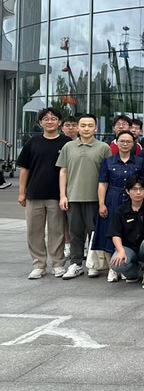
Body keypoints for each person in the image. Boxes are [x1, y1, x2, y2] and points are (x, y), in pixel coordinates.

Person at [57, 113, 112, 280]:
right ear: (77, 128)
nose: (86, 128)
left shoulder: (104, 148)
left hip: (95, 198)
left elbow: (108, 175)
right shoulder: (68, 147)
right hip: (73, 197)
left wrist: (104, 200)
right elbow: (63, 171)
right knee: (75, 232)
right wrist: (63, 195)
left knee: (94, 232)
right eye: (83, 125)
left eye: (90, 125)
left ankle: (93, 263)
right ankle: (76, 263)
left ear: (96, 128)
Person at [18, 107, 71, 279]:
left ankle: (58, 264)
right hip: (34, 193)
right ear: (40, 123)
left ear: (59, 122)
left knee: (57, 231)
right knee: (34, 231)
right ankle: (38, 265)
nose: (50, 121)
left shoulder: (66, 142)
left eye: (53, 118)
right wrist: (21, 192)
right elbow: (24, 169)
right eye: (46, 119)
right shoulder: (33, 142)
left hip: (57, 194)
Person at [95, 131, 144, 283]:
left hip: (132, 199)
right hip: (112, 198)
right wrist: (102, 203)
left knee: (129, 232)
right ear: (116, 143)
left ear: (133, 144)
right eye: (122, 141)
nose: (125, 144)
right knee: (109, 231)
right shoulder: (107, 162)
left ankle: (125, 265)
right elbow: (103, 183)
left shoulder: (139, 162)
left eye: (128, 141)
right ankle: (112, 268)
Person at [108, 175, 144, 289]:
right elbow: (115, 234)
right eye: (134, 189)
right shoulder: (121, 211)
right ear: (127, 191)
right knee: (115, 263)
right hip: (128, 248)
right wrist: (120, 251)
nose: (138, 192)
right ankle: (133, 273)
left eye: (141, 189)